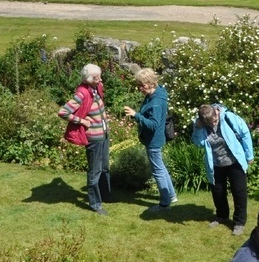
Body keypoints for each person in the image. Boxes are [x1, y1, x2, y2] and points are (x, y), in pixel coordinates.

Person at [193, 103, 254, 235]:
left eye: (215, 120)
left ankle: (239, 222)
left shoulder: (228, 117)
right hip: (215, 164)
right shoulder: (201, 125)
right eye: (210, 123)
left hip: (235, 161)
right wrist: (197, 129)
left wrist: (249, 155)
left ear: (216, 112)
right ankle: (222, 216)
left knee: (239, 192)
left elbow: (245, 133)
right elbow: (198, 143)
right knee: (218, 192)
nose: (214, 123)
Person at [58, 63, 112, 215]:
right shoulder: (82, 94)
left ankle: (106, 196)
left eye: (99, 75)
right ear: (87, 79)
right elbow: (63, 112)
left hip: (104, 135)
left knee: (105, 168)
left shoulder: (96, 88)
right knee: (94, 172)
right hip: (94, 139)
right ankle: (95, 204)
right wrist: (82, 121)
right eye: (96, 77)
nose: (100, 79)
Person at [123, 67, 176, 212]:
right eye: (138, 85)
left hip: (153, 140)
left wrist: (136, 115)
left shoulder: (156, 102)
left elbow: (153, 125)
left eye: (142, 85)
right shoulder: (155, 93)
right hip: (154, 139)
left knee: (158, 171)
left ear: (150, 82)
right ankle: (171, 196)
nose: (140, 88)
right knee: (161, 168)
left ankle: (165, 204)